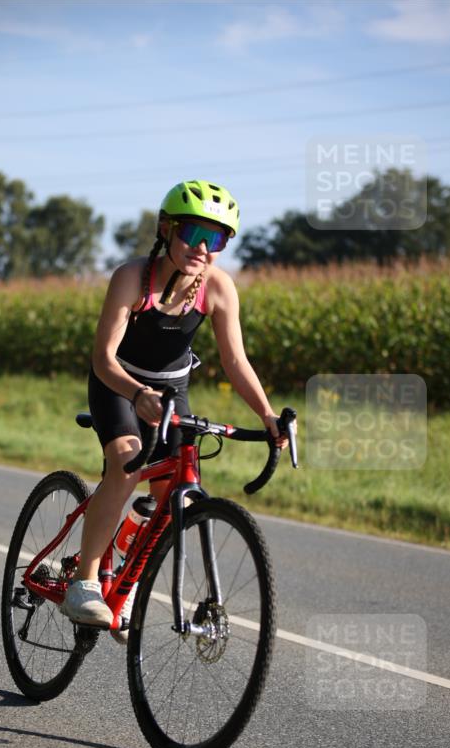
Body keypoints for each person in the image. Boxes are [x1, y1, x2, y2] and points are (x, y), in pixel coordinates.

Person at [62, 179, 292, 639]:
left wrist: (268, 416)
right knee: (127, 461)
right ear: (166, 229)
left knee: (177, 495)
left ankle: (122, 589)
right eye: (193, 234)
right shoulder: (131, 278)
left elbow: (234, 360)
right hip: (117, 382)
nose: (203, 248)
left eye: (218, 239)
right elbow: (102, 360)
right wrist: (135, 393)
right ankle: (85, 580)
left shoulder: (219, 288)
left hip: (171, 391)